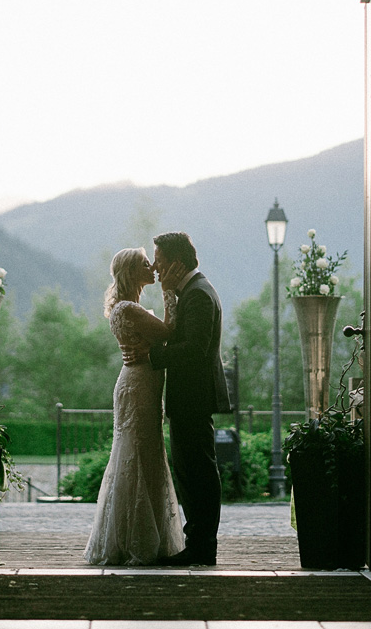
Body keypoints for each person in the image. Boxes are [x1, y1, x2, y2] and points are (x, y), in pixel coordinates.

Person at [131, 231, 231, 566]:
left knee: (198, 471)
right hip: (190, 397)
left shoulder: (198, 294)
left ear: (175, 260)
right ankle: (198, 544)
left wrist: (154, 354)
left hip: (194, 397)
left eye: (158, 258)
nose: (155, 266)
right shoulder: (191, 291)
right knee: (190, 470)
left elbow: (195, 349)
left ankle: (203, 548)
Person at [84, 247, 185, 565]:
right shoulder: (128, 308)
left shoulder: (127, 307)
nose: (153, 267)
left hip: (140, 381)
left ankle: (140, 534)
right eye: (145, 264)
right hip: (139, 385)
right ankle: (135, 538)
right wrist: (170, 292)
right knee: (138, 455)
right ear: (131, 272)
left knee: (143, 454)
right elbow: (169, 331)